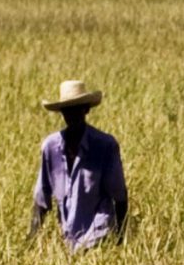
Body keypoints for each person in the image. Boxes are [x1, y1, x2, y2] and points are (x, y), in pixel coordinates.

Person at [28, 79, 129, 250]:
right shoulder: (50, 147)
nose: (72, 115)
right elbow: (41, 198)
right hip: (68, 235)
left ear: (86, 109)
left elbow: (119, 195)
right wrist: (31, 240)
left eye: (76, 110)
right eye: (67, 110)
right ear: (61, 112)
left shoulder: (105, 145)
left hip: (99, 234)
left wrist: (120, 239)